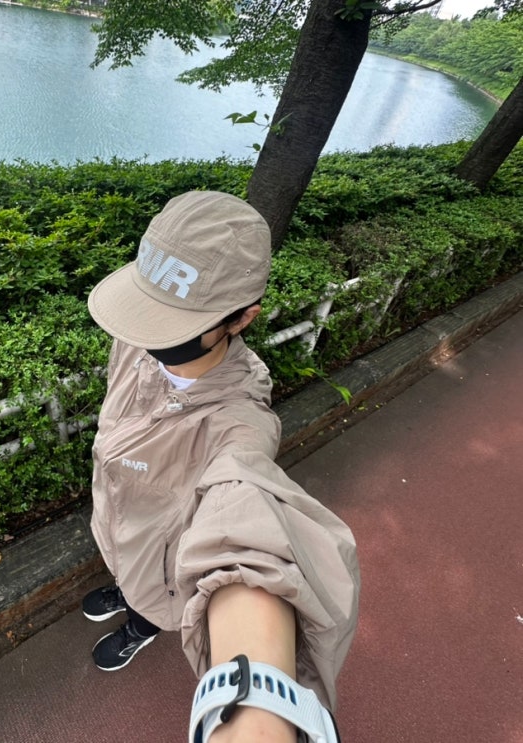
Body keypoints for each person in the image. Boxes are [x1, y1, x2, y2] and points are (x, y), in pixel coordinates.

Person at [83, 191, 359, 743]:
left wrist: (258, 706)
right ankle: (124, 589)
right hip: (117, 524)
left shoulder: (239, 423)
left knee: (152, 598)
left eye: (174, 323)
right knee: (125, 569)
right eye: (147, 310)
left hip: (166, 569)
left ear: (243, 318)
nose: (147, 332)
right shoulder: (138, 340)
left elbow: (247, 528)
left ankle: (142, 624)